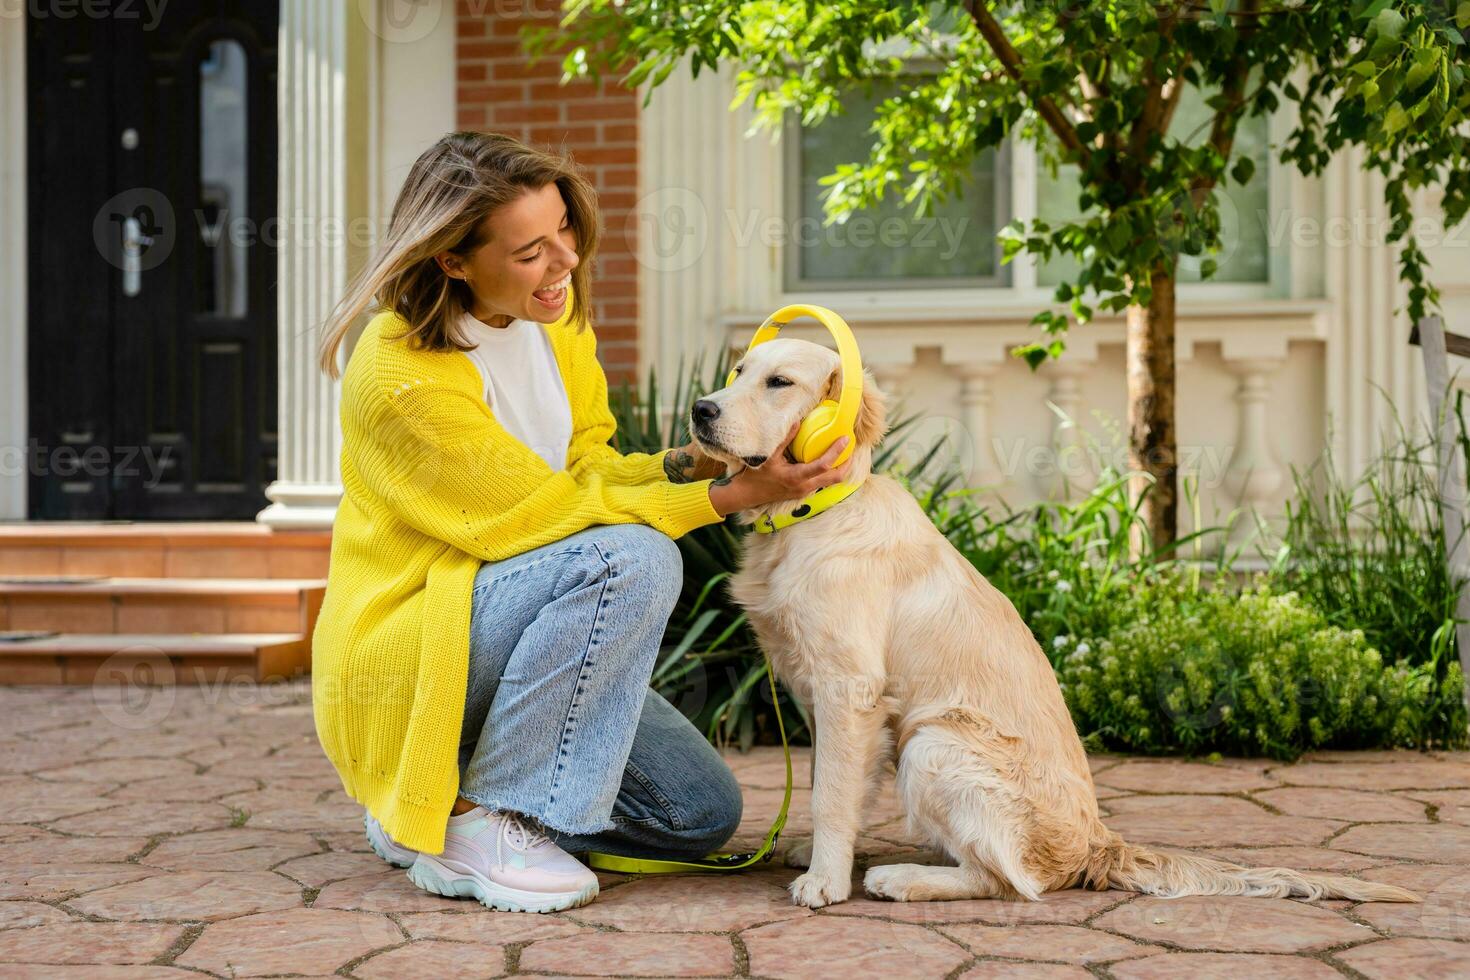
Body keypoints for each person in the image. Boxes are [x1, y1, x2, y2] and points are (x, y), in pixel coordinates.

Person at [310, 131, 852, 913]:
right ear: (452, 261)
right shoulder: (398, 376)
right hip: (409, 647)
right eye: (530, 250)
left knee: (695, 816)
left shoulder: (552, 318)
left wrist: (699, 464)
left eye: (563, 227)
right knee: (630, 560)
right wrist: (725, 500)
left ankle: (427, 801)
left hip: (497, 625)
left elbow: (587, 469)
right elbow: (543, 517)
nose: (564, 260)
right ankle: (492, 822)